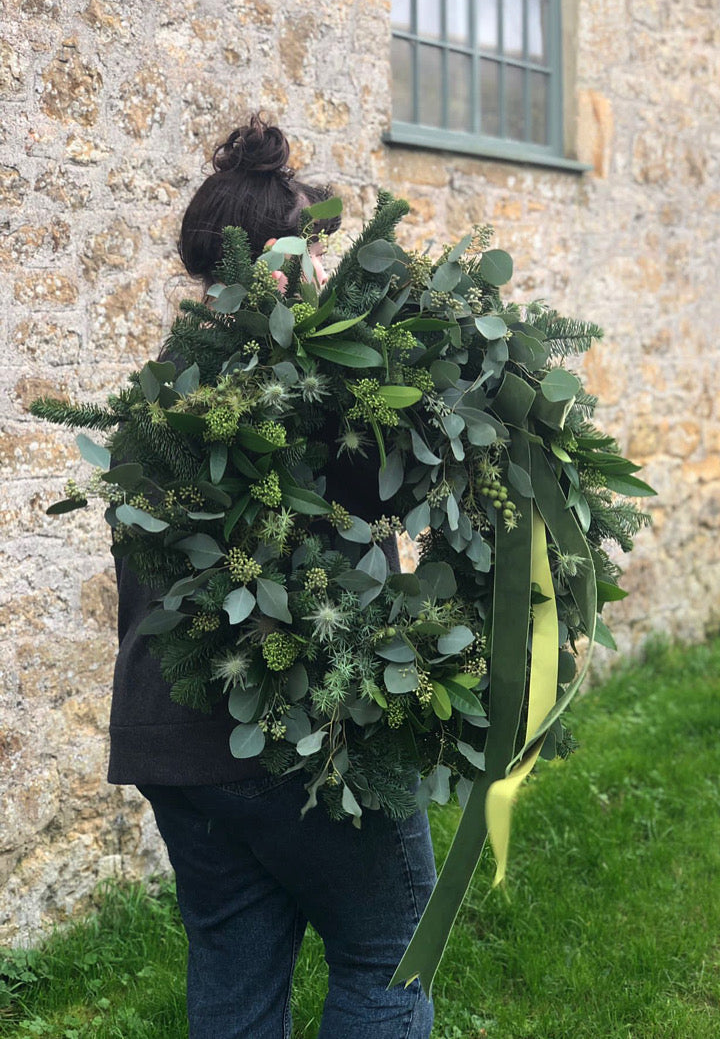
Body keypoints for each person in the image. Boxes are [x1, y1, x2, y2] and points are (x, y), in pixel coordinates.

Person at [108, 114, 437, 1039]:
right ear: (275, 265)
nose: (328, 271)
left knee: (234, 971)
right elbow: (403, 490)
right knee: (386, 953)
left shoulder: (151, 396)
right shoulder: (313, 386)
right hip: (303, 736)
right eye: (317, 249)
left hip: (173, 744)